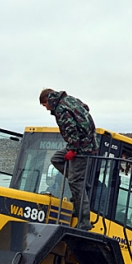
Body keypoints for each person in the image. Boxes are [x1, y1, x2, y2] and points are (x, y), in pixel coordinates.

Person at [39, 88, 98, 230]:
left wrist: (73, 149)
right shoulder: (70, 99)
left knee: (75, 182)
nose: (46, 109)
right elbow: (86, 107)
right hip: (83, 142)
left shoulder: (61, 109)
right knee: (56, 159)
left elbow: (71, 129)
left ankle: (84, 221)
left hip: (83, 147)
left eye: (44, 105)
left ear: (48, 100)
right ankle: (84, 185)